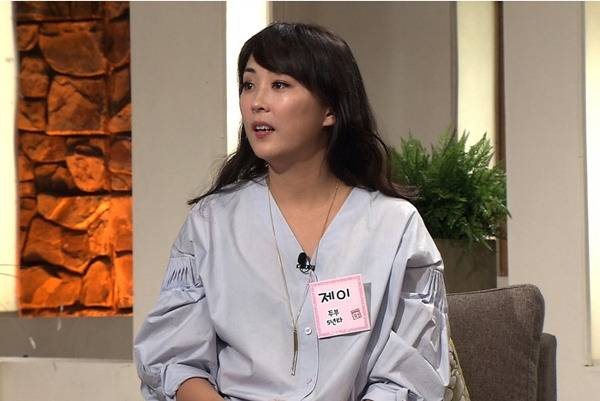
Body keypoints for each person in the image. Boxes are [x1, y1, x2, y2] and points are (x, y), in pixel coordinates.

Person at [134, 22, 450, 401]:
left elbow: (412, 377)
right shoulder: (212, 222)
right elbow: (174, 359)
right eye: (249, 84)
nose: (257, 102)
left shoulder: (394, 227)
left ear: (330, 109)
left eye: (280, 85)